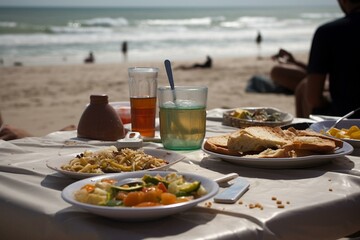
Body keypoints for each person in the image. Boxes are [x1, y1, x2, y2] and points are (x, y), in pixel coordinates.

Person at [296, 0, 360, 118]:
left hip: (345, 121)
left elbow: (313, 98)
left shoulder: (328, 32)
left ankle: (302, 135)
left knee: (304, 87)